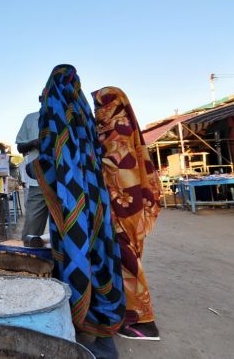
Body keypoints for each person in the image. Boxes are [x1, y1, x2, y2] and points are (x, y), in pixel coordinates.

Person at [33, 65, 124, 359]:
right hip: (94, 195)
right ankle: (104, 334)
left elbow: (52, 155)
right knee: (99, 251)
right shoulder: (82, 108)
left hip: (71, 198)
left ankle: (85, 333)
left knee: (76, 254)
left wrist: (33, 168)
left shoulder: (55, 107)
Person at [93, 86, 162, 341]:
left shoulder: (117, 130)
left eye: (102, 106)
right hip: (125, 202)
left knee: (127, 260)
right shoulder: (116, 128)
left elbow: (115, 166)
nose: (98, 112)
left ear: (114, 105)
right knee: (125, 257)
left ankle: (144, 322)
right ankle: (130, 313)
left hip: (123, 203)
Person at [15, 96, 48, 247]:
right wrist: (34, 143)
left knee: (64, 227)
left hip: (63, 182)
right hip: (38, 181)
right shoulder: (31, 119)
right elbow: (20, 147)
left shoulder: (64, 117)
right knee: (32, 229)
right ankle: (27, 260)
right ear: (40, 99)